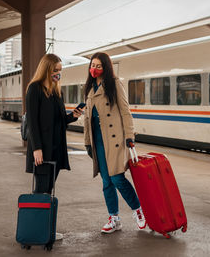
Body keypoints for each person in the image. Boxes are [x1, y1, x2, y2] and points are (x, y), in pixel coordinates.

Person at [83, 52, 146, 234]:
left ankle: (138, 211)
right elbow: (88, 119)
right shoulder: (89, 88)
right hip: (98, 141)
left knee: (117, 178)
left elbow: (126, 111)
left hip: (115, 139)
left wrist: (130, 136)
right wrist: (88, 142)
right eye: (92, 65)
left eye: (98, 66)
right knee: (106, 182)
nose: (94, 69)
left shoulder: (114, 83)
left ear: (105, 68)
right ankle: (114, 218)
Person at [25, 54, 84, 239]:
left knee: (48, 189)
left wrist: (72, 116)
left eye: (60, 71)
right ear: (46, 70)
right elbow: (32, 122)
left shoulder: (57, 91)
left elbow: (60, 121)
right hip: (42, 149)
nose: (58, 74)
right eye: (55, 71)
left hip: (57, 149)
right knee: (41, 190)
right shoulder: (35, 89)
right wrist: (37, 148)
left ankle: (46, 229)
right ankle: (36, 230)